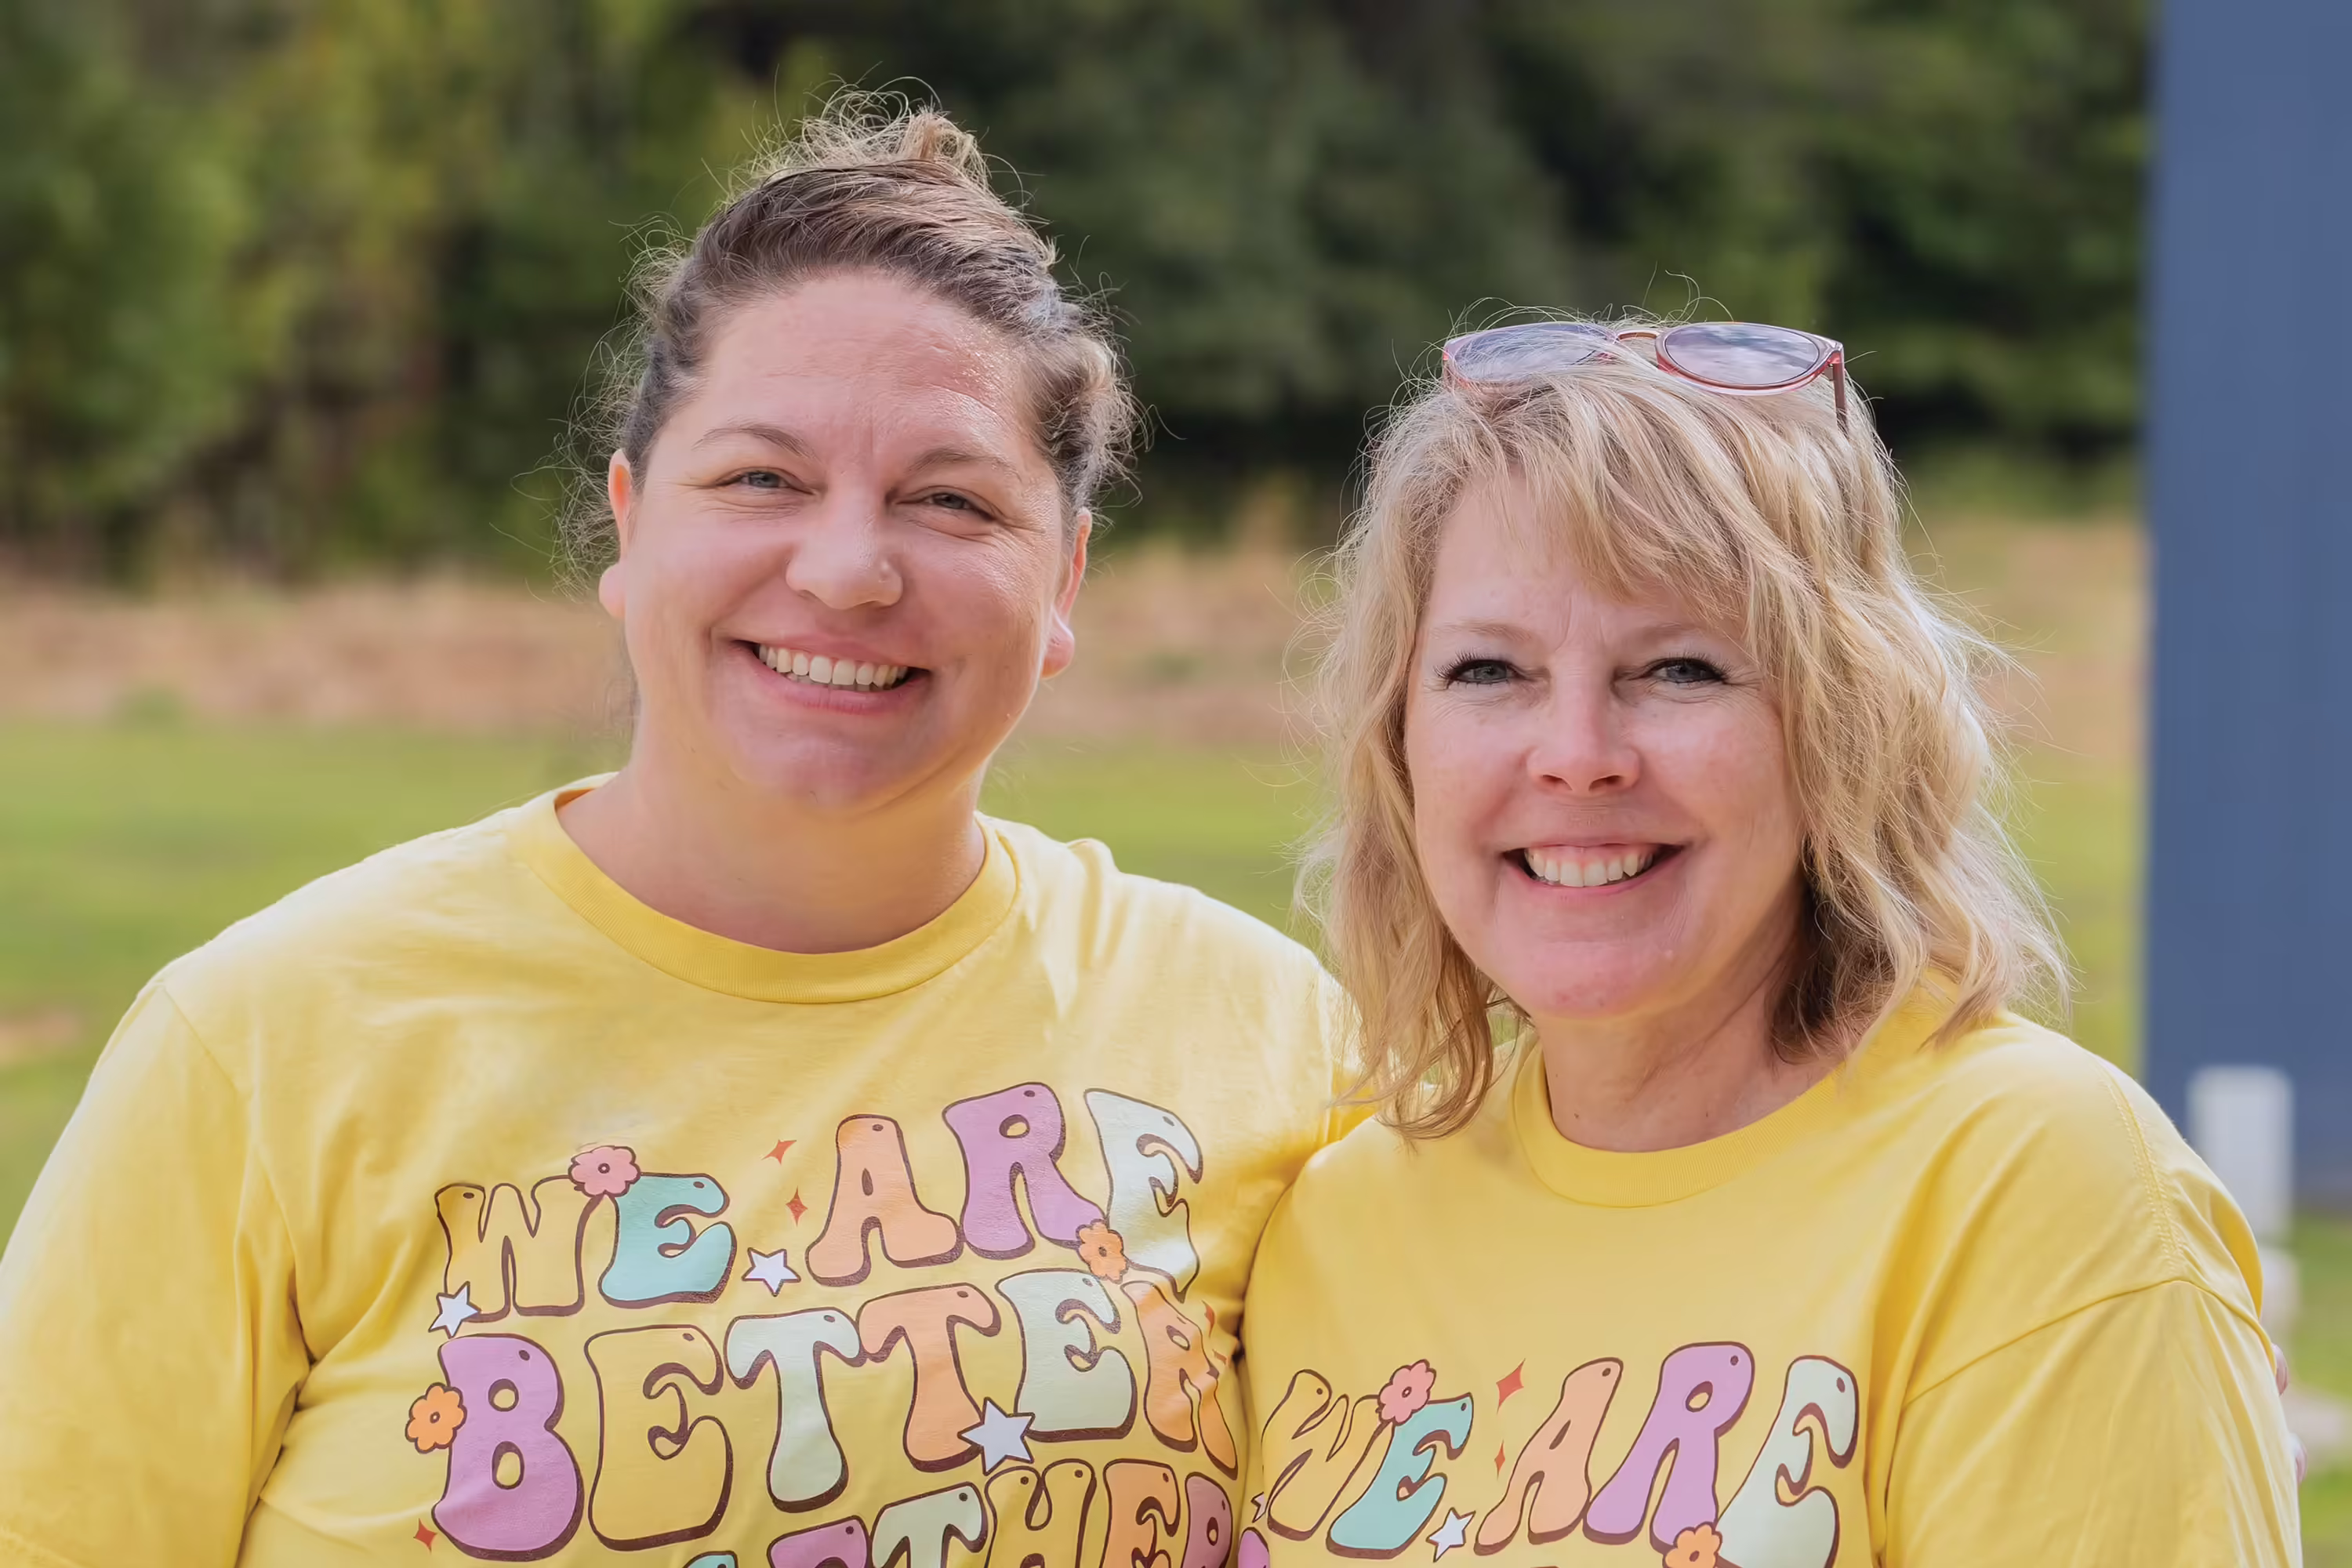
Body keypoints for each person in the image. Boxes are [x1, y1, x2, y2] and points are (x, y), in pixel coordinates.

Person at [0, 102, 1344, 1565]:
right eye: (761, 479)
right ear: (630, 527)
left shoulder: (1266, 1036)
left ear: (1066, 574)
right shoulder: (266, 1043)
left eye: (949, 501)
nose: (843, 570)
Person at [1239, 318, 2300, 1566]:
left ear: (1842, 727)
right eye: (1489, 672)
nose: (1577, 753)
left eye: (1682, 670)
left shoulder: (2037, 1193)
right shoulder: (1336, 1223)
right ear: (1398, 741)